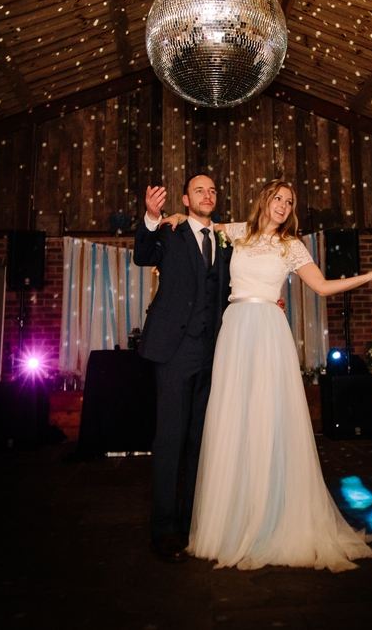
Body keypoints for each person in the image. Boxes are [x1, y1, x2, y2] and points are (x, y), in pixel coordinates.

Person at [183, 179, 372, 570]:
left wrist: (369, 276)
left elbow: (321, 287)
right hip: (234, 328)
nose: (284, 205)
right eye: (278, 198)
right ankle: (231, 521)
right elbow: (195, 222)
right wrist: (163, 216)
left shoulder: (291, 246)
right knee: (234, 418)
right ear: (264, 199)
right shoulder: (236, 231)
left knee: (269, 419)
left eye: (290, 201)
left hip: (268, 330)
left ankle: (274, 517)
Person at [133, 173, 233, 561]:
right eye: (199, 191)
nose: (207, 195)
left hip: (213, 352)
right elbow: (143, 255)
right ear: (185, 200)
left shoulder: (224, 241)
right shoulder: (170, 231)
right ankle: (164, 528)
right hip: (174, 351)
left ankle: (195, 523)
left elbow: (230, 287)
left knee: (199, 441)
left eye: (212, 190)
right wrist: (151, 216)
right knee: (170, 439)